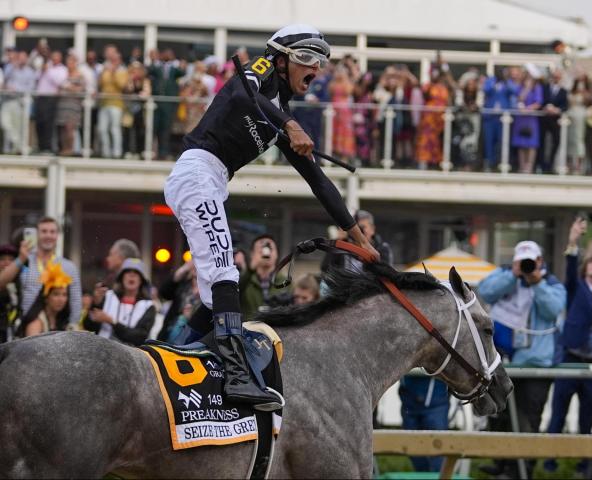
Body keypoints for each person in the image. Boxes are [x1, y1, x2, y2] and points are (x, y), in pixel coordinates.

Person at [164, 24, 380, 410]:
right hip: (196, 172)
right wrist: (289, 124)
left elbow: (320, 183)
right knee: (225, 277)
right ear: (282, 59)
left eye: (321, 62)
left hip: (210, 181)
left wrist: (359, 240)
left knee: (218, 297)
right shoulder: (262, 71)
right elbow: (244, 93)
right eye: (309, 58)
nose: (317, 68)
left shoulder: (280, 112)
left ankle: (174, 356)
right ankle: (235, 377)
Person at [478, 240, 566, 477]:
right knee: (500, 413)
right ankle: (501, 463)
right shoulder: (505, 275)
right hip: (502, 362)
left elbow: (553, 309)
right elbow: (485, 291)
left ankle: (522, 467)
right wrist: (512, 275)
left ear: (540, 262)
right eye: (522, 261)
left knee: (529, 416)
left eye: (531, 261)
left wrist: (536, 282)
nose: (527, 265)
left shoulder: (552, 283)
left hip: (535, 363)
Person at [544, 217, 592, 474]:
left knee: (588, 416)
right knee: (558, 413)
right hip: (570, 356)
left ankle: (585, 462)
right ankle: (549, 461)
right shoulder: (576, 287)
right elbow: (571, 266)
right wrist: (573, 241)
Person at [20, 217, 82, 326]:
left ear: (57, 235)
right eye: (44, 231)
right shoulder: (24, 262)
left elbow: (75, 300)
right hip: (27, 327)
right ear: (37, 235)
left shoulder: (69, 267)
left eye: (52, 232)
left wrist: (72, 326)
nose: (48, 235)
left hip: (57, 329)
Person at [84, 258, 155, 346]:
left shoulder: (148, 306)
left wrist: (112, 322)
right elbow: (88, 326)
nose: (132, 275)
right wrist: (95, 303)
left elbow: (139, 337)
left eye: (136, 273)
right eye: (128, 272)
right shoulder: (107, 296)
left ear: (141, 280)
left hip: (132, 357)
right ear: (121, 277)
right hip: (102, 351)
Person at [398, 376, 449, 472]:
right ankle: (424, 473)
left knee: (438, 449)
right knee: (413, 449)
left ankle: (436, 475)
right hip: (409, 404)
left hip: (436, 404)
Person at [239, 234, 289, 319]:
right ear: (252, 254)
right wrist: (251, 269)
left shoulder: (286, 282)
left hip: (277, 330)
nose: (266, 251)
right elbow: (234, 291)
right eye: (260, 249)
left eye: (271, 248)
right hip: (250, 329)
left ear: (277, 254)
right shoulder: (244, 281)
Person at [19, 260, 72, 337]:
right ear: (46, 298)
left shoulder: (63, 320)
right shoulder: (36, 324)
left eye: (64, 295)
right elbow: (32, 349)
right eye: (56, 294)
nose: (61, 299)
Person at [512, 66, 543, 174]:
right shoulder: (520, 86)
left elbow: (538, 102)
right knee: (521, 143)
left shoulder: (537, 87)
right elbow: (519, 98)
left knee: (531, 144)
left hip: (531, 119)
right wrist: (526, 89)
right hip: (521, 118)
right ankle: (522, 165)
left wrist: (528, 109)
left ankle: (529, 166)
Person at [538, 69, 568, 173]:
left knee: (556, 141)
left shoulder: (563, 91)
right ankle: (542, 165)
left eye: (558, 77)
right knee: (542, 142)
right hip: (544, 119)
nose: (556, 78)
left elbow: (565, 106)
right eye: (555, 76)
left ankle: (550, 164)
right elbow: (540, 101)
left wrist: (557, 110)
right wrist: (545, 107)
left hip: (555, 120)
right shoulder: (544, 88)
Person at [55, 53, 86, 156]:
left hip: (73, 105)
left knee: (70, 127)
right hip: (63, 104)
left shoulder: (80, 75)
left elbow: (81, 89)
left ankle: (70, 149)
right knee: (62, 127)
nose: (69, 64)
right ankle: (63, 149)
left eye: (71, 62)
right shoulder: (63, 74)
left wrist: (69, 87)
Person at [0, 243, 25, 342]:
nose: (7, 263)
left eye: (11, 259)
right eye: (2, 259)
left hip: (14, 334)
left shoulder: (21, 280)